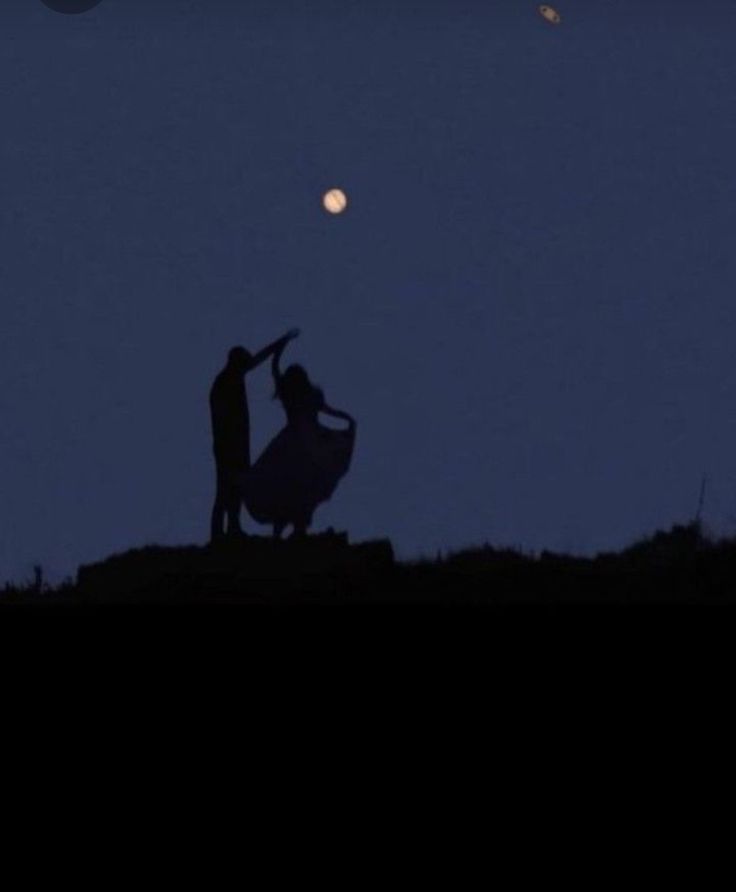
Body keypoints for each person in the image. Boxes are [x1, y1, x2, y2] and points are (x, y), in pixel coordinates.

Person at [241, 338, 356, 538]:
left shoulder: (292, 393)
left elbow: (275, 370)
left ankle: (287, 530)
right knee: (300, 489)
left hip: (295, 444)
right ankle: (296, 529)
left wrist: (280, 349)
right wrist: (347, 419)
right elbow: (328, 410)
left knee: (286, 488)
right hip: (306, 445)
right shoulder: (305, 394)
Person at [209, 329, 299, 541]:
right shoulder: (222, 384)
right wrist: (226, 445)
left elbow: (256, 360)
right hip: (227, 446)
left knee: (237, 487)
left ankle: (232, 527)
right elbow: (221, 420)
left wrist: (279, 342)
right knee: (224, 489)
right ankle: (217, 533)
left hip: (238, 443)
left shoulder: (233, 378)